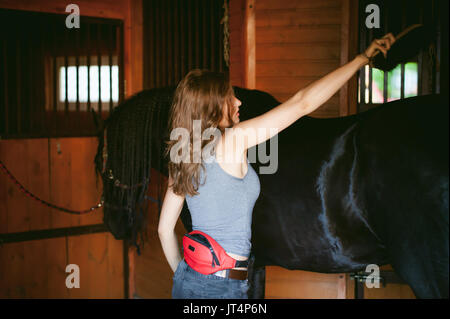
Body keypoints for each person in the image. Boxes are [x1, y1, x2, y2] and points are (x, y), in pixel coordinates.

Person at [158, 33, 395, 299]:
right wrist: (362, 59)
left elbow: (164, 229)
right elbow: (302, 103)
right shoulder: (233, 140)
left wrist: (183, 276)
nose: (238, 102)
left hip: (191, 281)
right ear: (211, 107)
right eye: (229, 97)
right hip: (223, 287)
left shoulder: (183, 155)